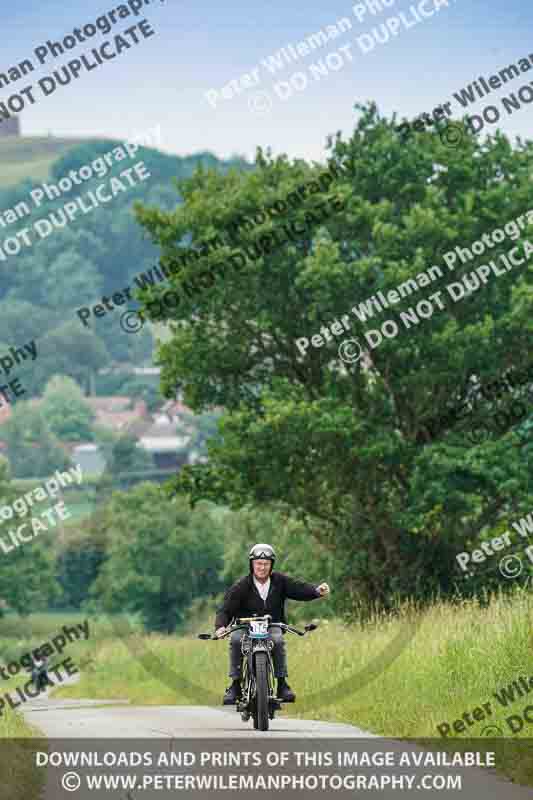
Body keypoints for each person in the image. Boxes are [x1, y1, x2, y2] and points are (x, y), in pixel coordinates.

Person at [214, 543, 330, 705]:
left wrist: (316, 591)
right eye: (258, 564)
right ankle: (235, 685)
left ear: (271, 565)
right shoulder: (241, 586)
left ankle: (282, 685)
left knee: (277, 640)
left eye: (266, 564)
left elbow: (298, 589)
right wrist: (220, 627)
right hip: (245, 627)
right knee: (235, 640)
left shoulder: (280, 581)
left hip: (272, 625)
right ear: (252, 564)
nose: (262, 567)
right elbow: (225, 609)